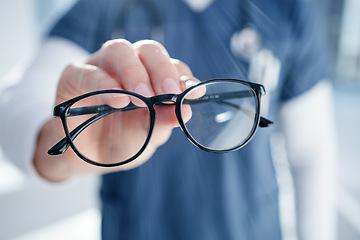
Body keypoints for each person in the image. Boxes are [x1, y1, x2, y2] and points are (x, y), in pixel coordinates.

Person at [0, 0, 337, 239]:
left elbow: (310, 152)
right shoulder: (100, 7)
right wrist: (58, 145)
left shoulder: (287, 8)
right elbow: (17, 108)